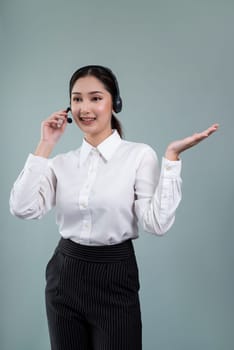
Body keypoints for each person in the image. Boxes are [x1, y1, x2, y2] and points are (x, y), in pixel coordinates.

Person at [9, 65, 219, 350]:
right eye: (77, 99)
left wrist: (171, 159)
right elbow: (22, 207)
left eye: (95, 98)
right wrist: (45, 145)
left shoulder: (138, 156)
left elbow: (156, 224)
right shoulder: (61, 163)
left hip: (114, 275)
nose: (85, 108)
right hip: (64, 274)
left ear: (114, 103)